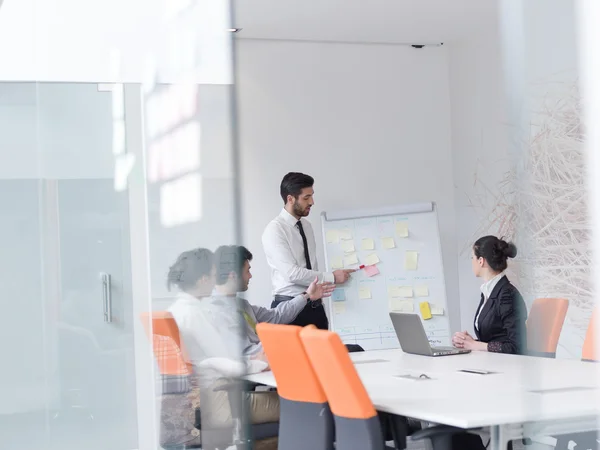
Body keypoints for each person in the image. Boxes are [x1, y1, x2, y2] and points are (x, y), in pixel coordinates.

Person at [167, 246, 334, 432]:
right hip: (221, 401)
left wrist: (306, 297)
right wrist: (259, 362)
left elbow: (275, 317)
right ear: (203, 278)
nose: (216, 280)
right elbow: (228, 361)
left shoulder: (178, 310)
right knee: (305, 404)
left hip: (215, 396)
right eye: (214, 275)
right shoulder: (200, 313)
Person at [262, 172, 354, 330]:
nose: (312, 202)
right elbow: (292, 273)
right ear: (290, 199)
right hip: (290, 308)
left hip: (315, 306)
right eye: (306, 198)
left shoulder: (307, 227)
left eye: (311, 196)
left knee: (325, 353)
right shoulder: (275, 230)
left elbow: (311, 267)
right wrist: (332, 277)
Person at [452, 236, 527, 354]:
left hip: (507, 367)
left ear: (481, 261)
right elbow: (492, 339)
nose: (472, 262)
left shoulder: (507, 295)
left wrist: (476, 344)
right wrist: (469, 343)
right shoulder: (489, 292)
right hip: (491, 362)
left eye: (473, 258)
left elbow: (516, 347)